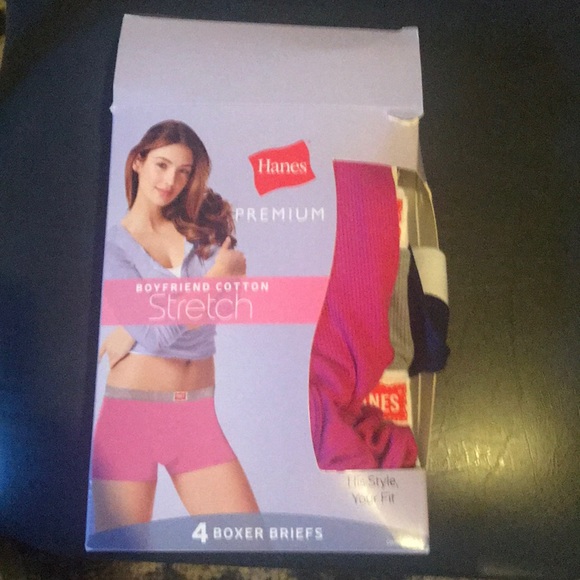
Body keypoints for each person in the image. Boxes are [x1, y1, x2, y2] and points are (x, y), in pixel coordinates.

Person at [91, 120, 258, 532]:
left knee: (249, 540)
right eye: (162, 165)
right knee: (121, 556)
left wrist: (135, 325)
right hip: (131, 420)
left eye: (183, 172)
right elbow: (158, 335)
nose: (171, 181)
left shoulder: (196, 226)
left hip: (196, 416)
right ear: (137, 161)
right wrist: (216, 277)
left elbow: (225, 305)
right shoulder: (112, 247)